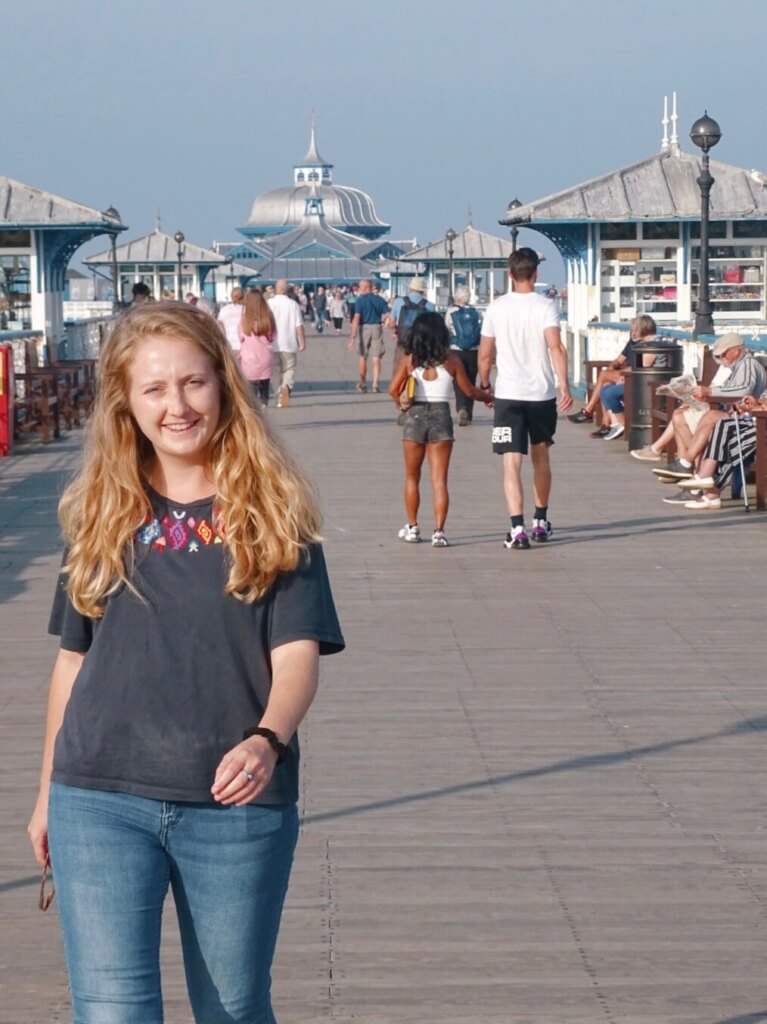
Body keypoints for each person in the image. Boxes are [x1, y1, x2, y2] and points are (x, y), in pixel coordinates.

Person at [27, 301, 345, 1024]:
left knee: (231, 1008)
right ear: (126, 404)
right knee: (111, 1011)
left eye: (194, 383)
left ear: (223, 385)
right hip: (99, 796)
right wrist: (47, 792)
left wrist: (269, 739)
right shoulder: (100, 511)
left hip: (233, 804)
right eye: (154, 389)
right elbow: (72, 662)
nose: (177, 405)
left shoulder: (274, 511)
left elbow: (296, 651)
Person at [477, 247, 573, 549]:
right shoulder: (546, 306)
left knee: (511, 462)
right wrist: (564, 387)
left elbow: (484, 354)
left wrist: (484, 385)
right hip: (541, 394)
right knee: (541, 456)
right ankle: (540, 521)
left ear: (509, 274)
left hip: (508, 394)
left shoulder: (496, 308)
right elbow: (556, 347)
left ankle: (517, 529)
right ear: (536, 273)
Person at [388, 312, 492, 547]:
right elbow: (469, 391)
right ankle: (439, 532)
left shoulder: (410, 360)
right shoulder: (451, 360)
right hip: (441, 416)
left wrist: (402, 406)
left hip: (415, 415)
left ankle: (413, 528)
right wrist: (487, 396)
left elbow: (393, 389)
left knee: (412, 476)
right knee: (439, 480)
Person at [445, 285, 482, 426]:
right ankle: (469, 411)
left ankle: (461, 408)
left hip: (456, 350)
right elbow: (480, 330)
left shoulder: (451, 312)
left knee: (458, 381)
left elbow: (447, 328)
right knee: (471, 380)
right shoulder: (476, 312)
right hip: (473, 351)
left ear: (457, 297)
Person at [268, 278, 306, 407]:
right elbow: (299, 325)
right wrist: (302, 342)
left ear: (275, 288)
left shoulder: (268, 304)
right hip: (289, 343)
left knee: (275, 371)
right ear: (287, 289)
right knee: (289, 368)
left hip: (272, 343)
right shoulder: (292, 304)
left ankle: (279, 394)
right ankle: (286, 387)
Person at [349, 278, 389, 393]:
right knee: (376, 357)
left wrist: (352, 335)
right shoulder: (380, 300)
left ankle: (363, 383)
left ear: (367, 287)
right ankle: (375, 384)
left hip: (364, 328)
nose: (359, 289)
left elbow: (356, 317)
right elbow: (387, 314)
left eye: (360, 287)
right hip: (377, 327)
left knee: (363, 356)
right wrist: (386, 323)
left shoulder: (360, 301)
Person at [388, 277, 435, 374]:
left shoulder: (399, 302)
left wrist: (397, 330)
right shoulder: (430, 306)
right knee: (421, 371)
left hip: (403, 342)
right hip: (422, 343)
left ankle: (398, 387)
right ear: (422, 291)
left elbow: (392, 323)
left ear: (410, 288)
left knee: (398, 370)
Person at [239, 288, 276, 407]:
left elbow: (241, 338)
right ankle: (264, 403)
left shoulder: (244, 320)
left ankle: (255, 409)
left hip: (249, 357)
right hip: (265, 356)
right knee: (265, 383)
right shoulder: (268, 317)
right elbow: (273, 336)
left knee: (251, 387)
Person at [217, 285, 246, 354]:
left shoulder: (223, 310)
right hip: (244, 346)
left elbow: (220, 326)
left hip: (229, 345)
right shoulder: (246, 310)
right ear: (244, 296)